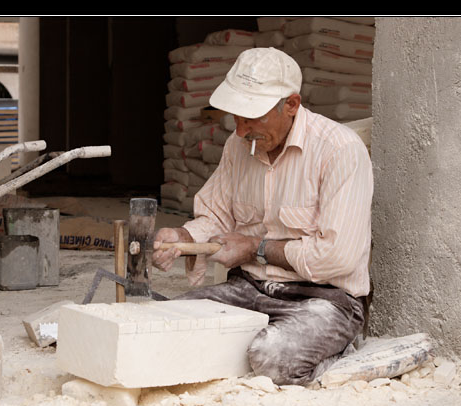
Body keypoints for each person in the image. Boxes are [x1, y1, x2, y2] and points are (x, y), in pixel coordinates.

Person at [153, 47, 373, 386]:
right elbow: (216, 214)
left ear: (291, 105)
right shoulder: (237, 145)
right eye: (236, 117)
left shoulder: (340, 150)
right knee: (164, 325)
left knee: (272, 356)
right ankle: (265, 343)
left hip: (325, 300)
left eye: (251, 117)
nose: (241, 130)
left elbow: (337, 257)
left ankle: (337, 352)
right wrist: (185, 239)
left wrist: (255, 247)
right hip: (249, 288)